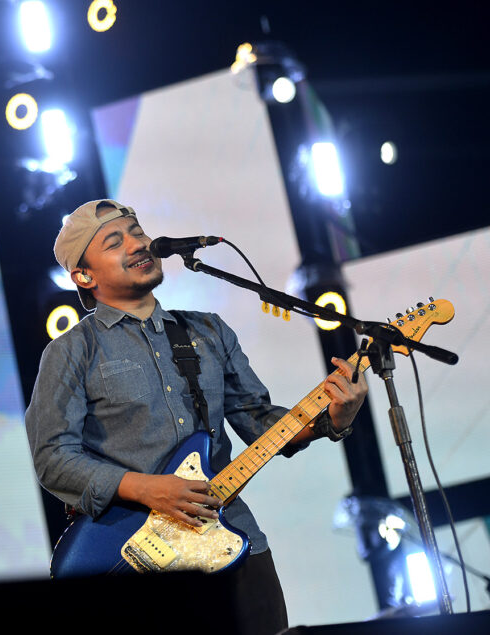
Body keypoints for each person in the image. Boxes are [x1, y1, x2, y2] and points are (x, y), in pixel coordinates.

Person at [25, 199, 368, 633]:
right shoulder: (72, 351)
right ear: (84, 276)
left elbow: (258, 419)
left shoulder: (208, 331)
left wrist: (333, 417)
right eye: (114, 242)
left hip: (233, 540)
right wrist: (148, 489)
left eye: (137, 232)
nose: (137, 244)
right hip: (135, 556)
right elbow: (53, 458)